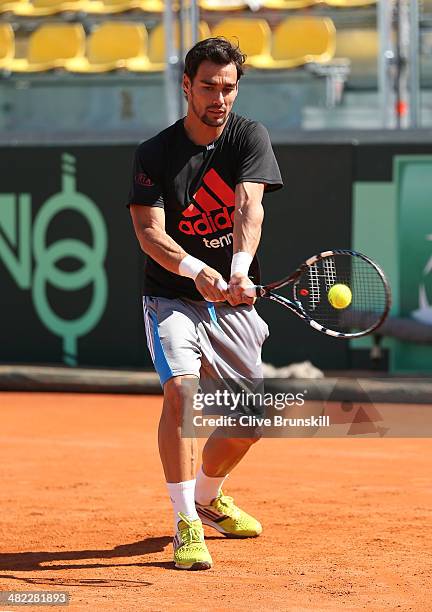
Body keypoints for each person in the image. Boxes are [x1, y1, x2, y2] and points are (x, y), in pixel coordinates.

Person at [127, 37, 283, 571]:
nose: (220, 98)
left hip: (233, 300)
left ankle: (206, 498)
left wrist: (237, 270)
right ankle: (184, 524)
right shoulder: (154, 153)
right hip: (171, 296)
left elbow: (248, 204)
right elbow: (150, 234)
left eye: (229, 88)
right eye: (210, 87)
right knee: (182, 395)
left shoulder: (249, 136)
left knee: (249, 421)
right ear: (187, 86)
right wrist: (196, 270)